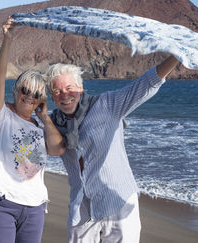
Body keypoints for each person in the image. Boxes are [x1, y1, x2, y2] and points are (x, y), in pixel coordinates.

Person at [45, 55, 180, 242]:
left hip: (117, 201)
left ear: (81, 88)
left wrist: (176, 56)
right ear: (52, 97)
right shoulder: (53, 123)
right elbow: (52, 150)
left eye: (69, 88)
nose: (65, 95)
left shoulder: (108, 104)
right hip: (82, 207)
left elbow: (146, 84)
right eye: (57, 91)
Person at [0, 18, 65, 243]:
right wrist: (7, 38)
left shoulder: (40, 126)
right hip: (0, 205)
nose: (29, 96)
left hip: (35, 208)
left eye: (36, 94)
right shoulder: (1, 117)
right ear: (16, 91)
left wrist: (45, 118)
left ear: (41, 100)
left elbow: (57, 149)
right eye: (25, 89)